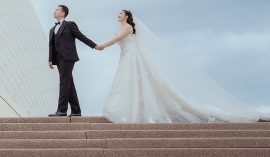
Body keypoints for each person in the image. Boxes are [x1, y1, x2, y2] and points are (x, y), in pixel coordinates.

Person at [98, 10, 267, 123]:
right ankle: (130, 111)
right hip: (127, 55)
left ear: (127, 17)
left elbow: (116, 39)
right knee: (130, 83)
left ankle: (128, 112)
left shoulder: (127, 28)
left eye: (121, 13)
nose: (118, 15)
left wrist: (103, 45)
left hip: (131, 56)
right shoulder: (124, 28)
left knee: (129, 82)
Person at [48, 5, 99, 117]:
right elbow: (51, 45)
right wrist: (50, 59)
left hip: (68, 57)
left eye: (57, 10)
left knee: (64, 82)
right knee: (68, 83)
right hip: (58, 58)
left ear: (63, 13)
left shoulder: (70, 25)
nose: (54, 11)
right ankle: (76, 111)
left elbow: (81, 36)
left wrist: (95, 46)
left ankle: (62, 110)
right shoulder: (52, 29)